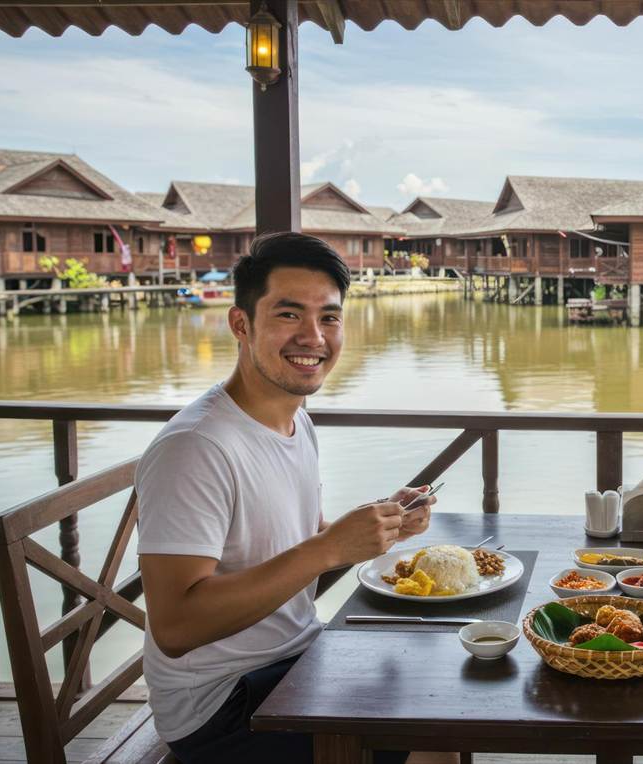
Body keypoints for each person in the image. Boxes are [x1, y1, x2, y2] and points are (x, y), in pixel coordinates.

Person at [136, 232, 438, 764]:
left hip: (294, 658)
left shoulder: (296, 419)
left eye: (329, 317)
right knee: (434, 736)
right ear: (240, 324)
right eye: (288, 315)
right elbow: (176, 627)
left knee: (440, 681)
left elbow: (304, 571)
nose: (313, 337)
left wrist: (371, 534)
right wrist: (330, 548)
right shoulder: (197, 447)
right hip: (220, 705)